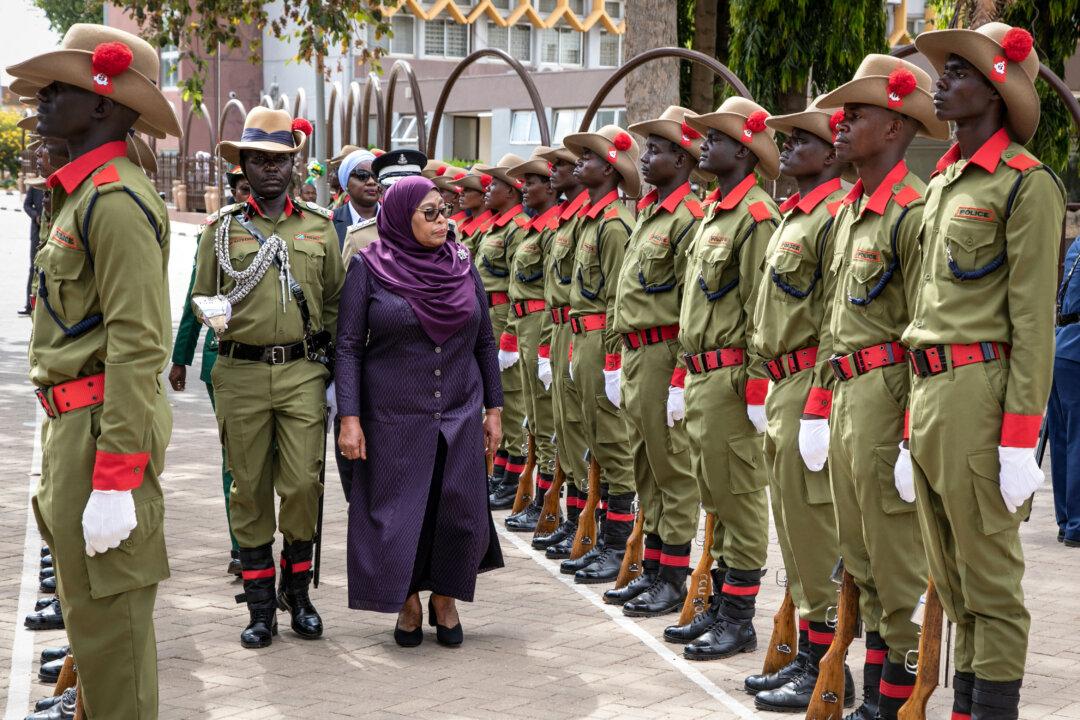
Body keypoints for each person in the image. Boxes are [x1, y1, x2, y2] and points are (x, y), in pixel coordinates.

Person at [7, 22, 183, 718]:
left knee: (113, 638)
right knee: (88, 618)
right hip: (73, 427)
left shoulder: (114, 200)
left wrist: (116, 478)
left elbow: (140, 345)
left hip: (102, 433)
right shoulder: (81, 193)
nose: (43, 99)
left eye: (61, 88)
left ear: (106, 105)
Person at [902, 24, 1066, 719]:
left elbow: (1034, 324)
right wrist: (913, 424)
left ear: (996, 88)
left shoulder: (1026, 186)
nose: (941, 80)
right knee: (954, 581)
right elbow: (925, 313)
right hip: (933, 394)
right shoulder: (942, 184)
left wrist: (1017, 438)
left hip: (982, 397)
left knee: (991, 586)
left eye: (958, 71)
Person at [806, 56, 947, 719]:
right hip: (845, 397)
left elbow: (925, 328)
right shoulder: (851, 210)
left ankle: (896, 705)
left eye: (855, 115)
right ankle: (868, 700)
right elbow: (834, 323)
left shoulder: (913, 212)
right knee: (858, 561)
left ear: (894, 127)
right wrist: (817, 405)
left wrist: (908, 437)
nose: (841, 123)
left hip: (889, 398)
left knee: (897, 571)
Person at [191, 106, 344, 649]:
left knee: (303, 484)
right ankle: (261, 610)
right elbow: (202, 295)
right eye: (259, 160)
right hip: (240, 370)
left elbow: (335, 303)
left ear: (294, 164)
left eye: (280, 159)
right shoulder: (223, 228)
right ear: (245, 165)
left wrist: (329, 372)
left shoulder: (320, 227)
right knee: (249, 489)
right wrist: (220, 319)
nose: (271, 169)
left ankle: (297, 592)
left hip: (302, 370)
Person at [335, 176, 504, 647]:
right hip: (391, 415)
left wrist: (495, 409)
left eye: (444, 210)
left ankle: (445, 598)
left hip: (459, 408)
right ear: (399, 216)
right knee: (397, 512)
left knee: (457, 509)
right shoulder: (369, 268)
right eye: (428, 213)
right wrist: (350, 418)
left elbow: (485, 341)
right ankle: (407, 598)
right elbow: (348, 346)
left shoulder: (463, 266)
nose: (442, 220)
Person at [744, 96, 851, 704]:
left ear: (829, 150)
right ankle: (810, 656)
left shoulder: (834, 216)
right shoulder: (796, 215)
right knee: (794, 529)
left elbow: (835, 320)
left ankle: (831, 668)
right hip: (782, 383)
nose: (784, 151)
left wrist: (815, 402)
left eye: (798, 142)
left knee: (816, 534)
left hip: (813, 380)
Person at [671, 98, 778, 654]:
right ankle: (717, 605)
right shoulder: (717, 211)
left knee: (739, 498)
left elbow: (763, 308)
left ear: (744, 149)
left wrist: (758, 387)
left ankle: (739, 617)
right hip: (702, 377)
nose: (703, 144)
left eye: (714, 137)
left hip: (733, 379)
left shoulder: (758, 217)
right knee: (714, 496)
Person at [609, 106, 704, 605]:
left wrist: (682, 374)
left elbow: (692, 301)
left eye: (657, 150)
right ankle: (653, 565)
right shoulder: (650, 212)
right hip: (637, 353)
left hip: (666, 351)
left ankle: (673, 578)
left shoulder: (689, 219)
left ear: (684, 160)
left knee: (673, 467)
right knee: (645, 463)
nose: (644, 158)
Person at [558, 125, 640, 583]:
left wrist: (612, 360)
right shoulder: (591, 220)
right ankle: (603, 538)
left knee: (611, 442)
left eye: (588, 157)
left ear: (609, 169)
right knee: (592, 438)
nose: (578, 164)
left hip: (600, 342)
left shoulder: (613, 226)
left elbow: (615, 301)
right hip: (579, 339)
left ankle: (616, 545)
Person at [169, 166, 251, 578]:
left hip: (281, 365)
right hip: (224, 359)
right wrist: (181, 356)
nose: (248, 195)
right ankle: (242, 546)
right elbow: (193, 299)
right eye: (242, 189)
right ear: (233, 192)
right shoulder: (214, 235)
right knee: (235, 459)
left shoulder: (292, 232)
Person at [532, 144, 591, 557]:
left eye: (563, 166)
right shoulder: (574, 221)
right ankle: (574, 522)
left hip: (588, 335)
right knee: (564, 427)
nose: (553, 172)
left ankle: (599, 534)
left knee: (597, 439)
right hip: (561, 330)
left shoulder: (606, 223)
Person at [502, 148, 562, 531]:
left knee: (546, 419)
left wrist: (542, 344)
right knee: (533, 419)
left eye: (535, 181)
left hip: (542, 323)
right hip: (524, 324)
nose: (526, 188)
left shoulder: (553, 229)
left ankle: (549, 503)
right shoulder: (532, 227)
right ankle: (540, 500)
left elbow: (553, 290)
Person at [472, 153, 532, 510]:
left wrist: (508, 334)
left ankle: (511, 479)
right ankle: (503, 476)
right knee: (497, 397)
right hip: (488, 315)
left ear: (511, 191)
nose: (487, 188)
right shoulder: (497, 227)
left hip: (503, 317)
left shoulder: (517, 228)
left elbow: (516, 286)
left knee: (509, 399)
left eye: (495, 184)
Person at [1050, 233, 1080, 548]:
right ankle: (1076, 525)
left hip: (1060, 346)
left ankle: (1065, 521)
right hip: (1076, 348)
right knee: (1077, 441)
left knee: (1061, 440)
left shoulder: (1077, 246)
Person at [333, 148, 380, 249]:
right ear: (346, 183)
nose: (371, 182)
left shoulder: (395, 218)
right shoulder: (330, 222)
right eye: (362, 176)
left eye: (375, 176)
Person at [451, 166, 496, 257]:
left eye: (467, 190)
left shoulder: (488, 228)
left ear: (484, 196)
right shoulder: (465, 223)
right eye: (462, 189)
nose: (461, 193)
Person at [21, 173, 44, 316]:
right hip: (37, 232)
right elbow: (26, 204)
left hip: (52, 230)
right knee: (33, 267)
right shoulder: (35, 186)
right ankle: (29, 305)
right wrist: (35, 216)